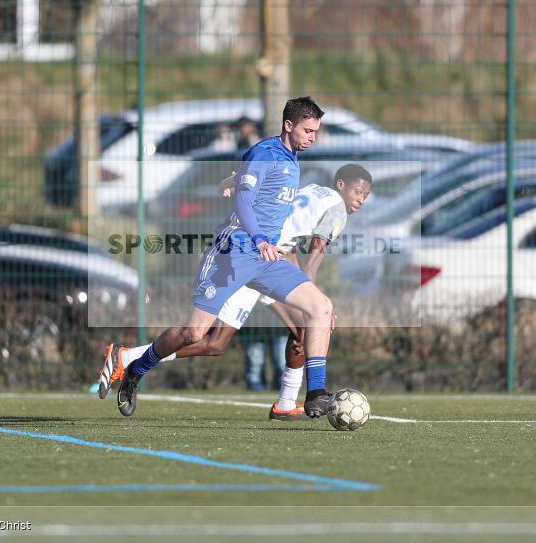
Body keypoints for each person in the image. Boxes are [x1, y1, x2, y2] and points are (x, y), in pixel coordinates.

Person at [104, 96, 337, 419]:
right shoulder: (265, 153)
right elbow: (243, 204)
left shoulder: (290, 158)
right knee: (195, 334)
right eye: (308, 130)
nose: (313, 137)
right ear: (288, 125)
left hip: (267, 259)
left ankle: (315, 394)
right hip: (235, 252)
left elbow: (258, 190)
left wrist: (233, 180)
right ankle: (136, 370)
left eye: (316, 131)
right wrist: (257, 238)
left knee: (321, 308)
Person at [99, 163, 373, 420]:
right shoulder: (337, 208)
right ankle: (131, 359)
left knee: (220, 343)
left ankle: (286, 404)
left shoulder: (312, 189)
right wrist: (311, 291)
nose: (361, 199)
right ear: (341, 185)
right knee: (212, 335)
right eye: (357, 191)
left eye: (366, 195)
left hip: (260, 258)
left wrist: (233, 181)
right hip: (254, 259)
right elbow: (316, 253)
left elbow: (281, 228)